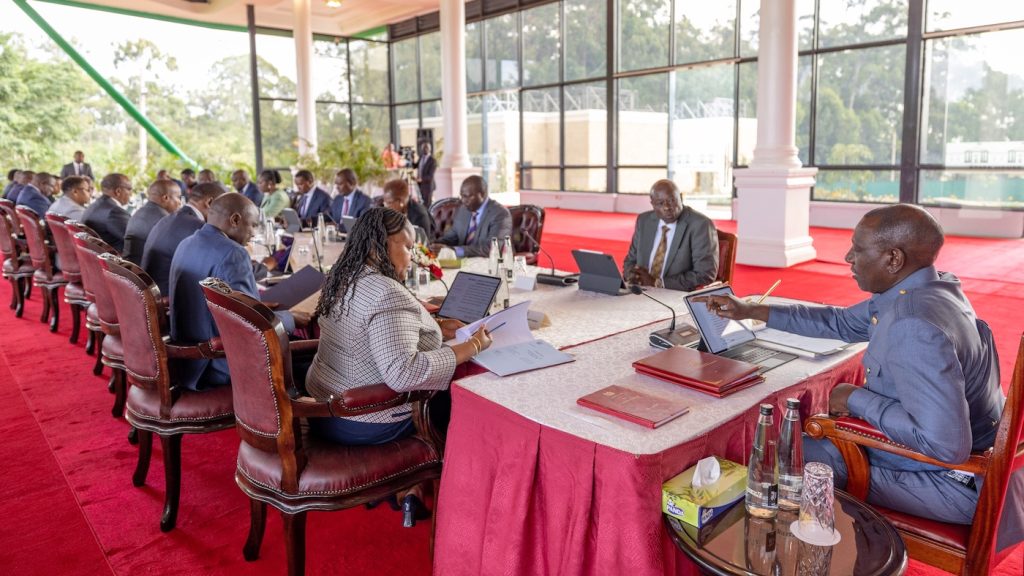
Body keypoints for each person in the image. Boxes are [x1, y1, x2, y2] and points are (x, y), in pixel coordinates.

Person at [695, 204, 1005, 525]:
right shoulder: (928, 289)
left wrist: (854, 398)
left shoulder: (913, 324)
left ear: (893, 259)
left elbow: (946, 445)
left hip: (949, 481)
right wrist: (750, 311)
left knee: (780, 454)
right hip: (955, 463)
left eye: (857, 249)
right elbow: (838, 322)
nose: (847, 258)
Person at [306, 207, 492, 526]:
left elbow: (373, 334)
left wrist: (432, 325)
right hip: (364, 422)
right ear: (380, 246)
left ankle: (410, 487)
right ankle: (465, 502)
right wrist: (470, 345)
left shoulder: (344, 275)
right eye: (406, 246)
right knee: (465, 398)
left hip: (323, 410)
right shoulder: (388, 293)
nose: (412, 256)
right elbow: (403, 373)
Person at [168, 193, 308, 391]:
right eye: (252, 225)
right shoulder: (233, 253)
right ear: (235, 220)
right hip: (218, 363)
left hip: (187, 362)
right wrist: (291, 318)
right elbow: (251, 325)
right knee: (313, 357)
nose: (254, 234)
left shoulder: (186, 243)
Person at [622, 179, 719, 291]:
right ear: (652, 204)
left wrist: (657, 283)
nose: (667, 207)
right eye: (660, 203)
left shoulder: (700, 224)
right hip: (640, 291)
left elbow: (705, 274)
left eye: (672, 200)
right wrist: (632, 275)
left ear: (681, 198)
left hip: (674, 294)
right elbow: (630, 260)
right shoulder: (644, 221)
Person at [141, 182, 226, 295]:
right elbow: (221, 265)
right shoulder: (198, 227)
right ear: (209, 202)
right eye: (224, 208)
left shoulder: (170, 218)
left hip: (152, 290)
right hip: (168, 298)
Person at [429, 175, 512, 258]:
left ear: (482, 194)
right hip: (462, 264)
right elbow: (452, 237)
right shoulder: (463, 210)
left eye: (467, 196)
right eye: (461, 196)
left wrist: (453, 250)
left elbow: (491, 249)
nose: (462, 200)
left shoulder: (500, 214)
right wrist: (433, 245)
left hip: (490, 265)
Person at [122, 180, 182, 265]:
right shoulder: (165, 221)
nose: (180, 202)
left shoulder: (139, 212)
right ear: (165, 198)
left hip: (130, 268)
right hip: (144, 274)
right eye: (178, 197)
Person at [81, 173, 132, 253]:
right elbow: (134, 240)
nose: (131, 194)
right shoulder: (114, 212)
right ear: (118, 191)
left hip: (96, 256)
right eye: (129, 189)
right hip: (115, 261)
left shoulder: (94, 205)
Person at [382, 178, 433, 243]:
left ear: (400, 202)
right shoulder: (395, 212)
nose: (385, 206)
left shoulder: (419, 215)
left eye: (388, 202)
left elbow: (422, 243)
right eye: (385, 202)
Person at [415, 142, 437, 206]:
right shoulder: (421, 158)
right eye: (423, 148)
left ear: (430, 149)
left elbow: (430, 176)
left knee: (427, 204)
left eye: (426, 147)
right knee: (422, 202)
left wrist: (421, 179)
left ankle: (427, 216)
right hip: (420, 185)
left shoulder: (432, 160)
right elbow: (415, 166)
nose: (424, 149)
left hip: (428, 185)